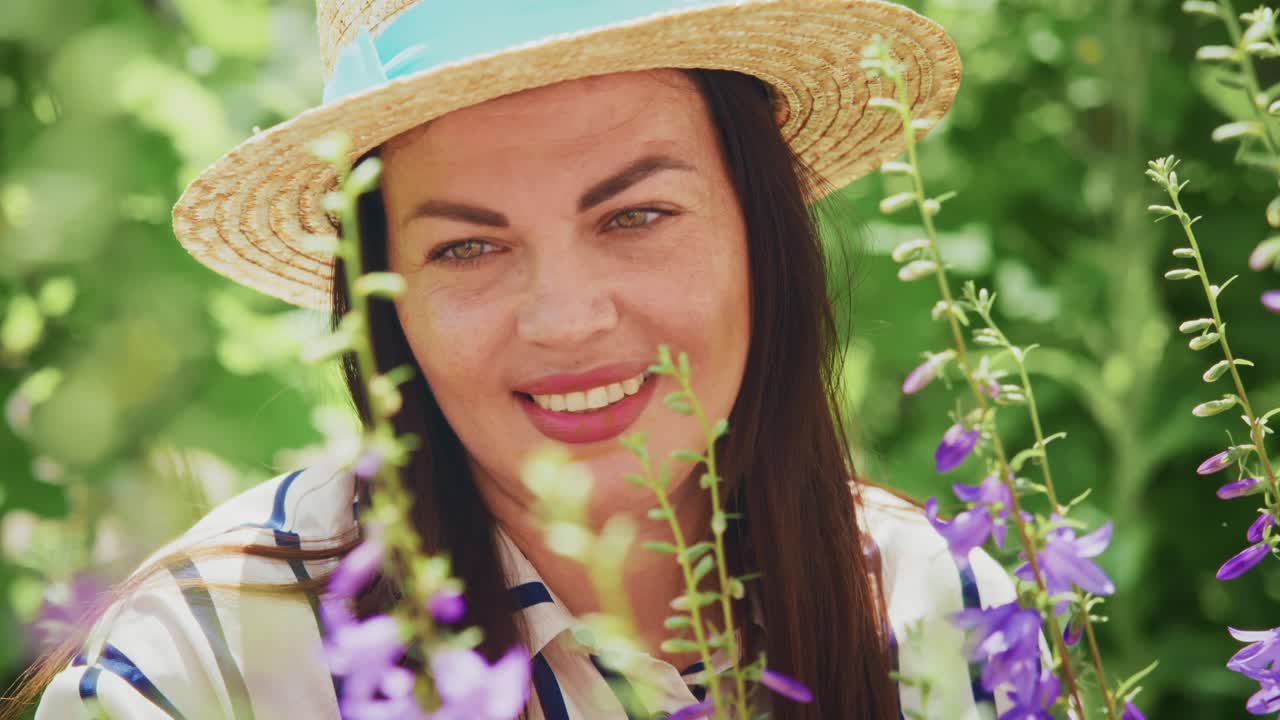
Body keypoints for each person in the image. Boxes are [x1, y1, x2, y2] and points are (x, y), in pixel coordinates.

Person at [12, 1, 1019, 718]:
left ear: (762, 236)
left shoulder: (938, 604)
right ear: (384, 300)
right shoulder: (204, 668)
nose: (567, 320)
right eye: (466, 246)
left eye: (635, 215)